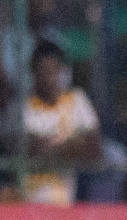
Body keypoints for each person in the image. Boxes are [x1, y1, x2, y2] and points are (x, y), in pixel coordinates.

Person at [14, 41, 105, 205]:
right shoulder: (24, 108)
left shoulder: (77, 99)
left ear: (62, 70)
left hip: (69, 190)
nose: (50, 78)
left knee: (116, 157)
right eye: (44, 72)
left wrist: (54, 145)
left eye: (54, 71)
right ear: (33, 72)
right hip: (37, 195)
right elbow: (36, 152)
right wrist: (73, 141)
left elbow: (94, 148)